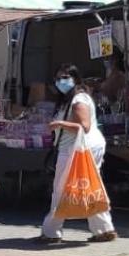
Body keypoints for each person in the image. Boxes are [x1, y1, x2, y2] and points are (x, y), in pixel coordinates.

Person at [37, 65, 115, 244]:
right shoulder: (70, 99)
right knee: (90, 186)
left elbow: (84, 126)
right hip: (80, 147)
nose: (60, 82)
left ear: (74, 78)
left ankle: (51, 231)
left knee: (61, 188)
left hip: (78, 148)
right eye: (57, 78)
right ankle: (103, 229)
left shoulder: (78, 99)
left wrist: (60, 124)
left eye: (64, 77)